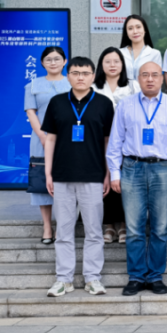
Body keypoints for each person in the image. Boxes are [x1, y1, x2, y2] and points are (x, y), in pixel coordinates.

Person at [106, 61, 167, 296]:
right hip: (132, 168)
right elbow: (115, 142)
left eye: (154, 75)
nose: (150, 79)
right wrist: (115, 173)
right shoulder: (125, 105)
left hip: (163, 168)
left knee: (160, 227)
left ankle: (155, 276)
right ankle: (136, 276)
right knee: (134, 228)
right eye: (145, 75)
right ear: (138, 79)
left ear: (162, 79)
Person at [41, 56, 114, 297]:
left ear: (93, 76)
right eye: (75, 73)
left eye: (85, 73)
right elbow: (50, 139)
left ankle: (93, 278)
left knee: (94, 231)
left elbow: (107, 141)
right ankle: (64, 279)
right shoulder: (57, 102)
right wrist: (48, 172)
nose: (80, 77)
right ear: (68, 76)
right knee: (63, 231)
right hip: (62, 175)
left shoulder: (104, 103)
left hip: (93, 175)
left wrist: (107, 173)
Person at [93, 47, 139, 245]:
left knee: (124, 183)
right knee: (104, 182)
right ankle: (109, 225)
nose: (112, 65)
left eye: (116, 61)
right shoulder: (93, 86)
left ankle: (124, 224)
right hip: (98, 141)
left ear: (123, 64)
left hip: (128, 142)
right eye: (108, 61)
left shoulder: (133, 86)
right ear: (101, 65)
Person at [25, 46, 70, 244]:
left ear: (65, 61)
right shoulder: (32, 85)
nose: (53, 62)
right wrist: (43, 137)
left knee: (66, 182)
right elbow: (31, 112)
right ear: (42, 63)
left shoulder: (72, 82)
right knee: (42, 181)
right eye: (48, 59)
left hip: (68, 138)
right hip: (40, 138)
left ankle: (62, 226)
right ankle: (46, 227)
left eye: (57, 58)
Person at [119, 14, 162, 81]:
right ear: (126, 33)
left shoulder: (154, 54)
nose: (135, 31)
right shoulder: (119, 53)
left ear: (145, 30)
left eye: (138, 27)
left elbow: (156, 79)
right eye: (130, 28)